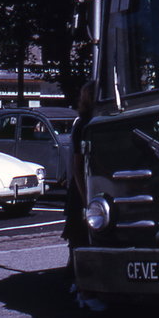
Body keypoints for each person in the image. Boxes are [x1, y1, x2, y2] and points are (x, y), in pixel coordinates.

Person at [62, 81, 94, 279]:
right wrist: (85, 198)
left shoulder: (86, 122)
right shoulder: (83, 124)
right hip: (82, 185)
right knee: (79, 233)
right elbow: (77, 163)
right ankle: (77, 276)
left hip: (83, 183)